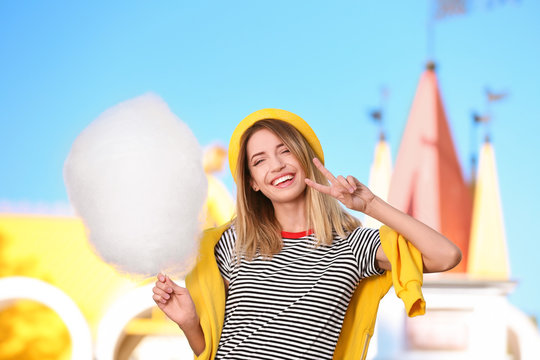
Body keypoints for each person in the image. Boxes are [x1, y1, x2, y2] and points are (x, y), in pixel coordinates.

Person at [152, 108, 462, 360]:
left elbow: (445, 256)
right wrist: (190, 324)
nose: (275, 165)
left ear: (305, 159)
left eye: (285, 151)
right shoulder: (231, 243)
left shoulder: (355, 246)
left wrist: (370, 205)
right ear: (253, 183)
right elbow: (211, 350)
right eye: (259, 161)